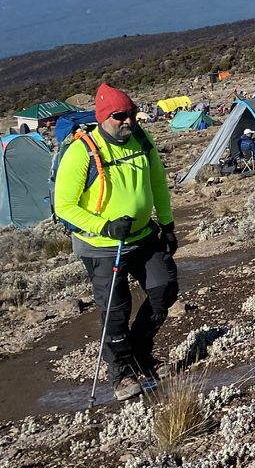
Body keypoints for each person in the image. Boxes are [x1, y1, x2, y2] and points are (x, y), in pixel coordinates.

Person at [54, 83, 179, 401]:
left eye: (132, 113)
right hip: (101, 245)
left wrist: (167, 225)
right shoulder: (82, 152)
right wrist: (105, 226)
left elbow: (158, 183)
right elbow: (63, 206)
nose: (128, 120)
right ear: (102, 118)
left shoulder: (141, 140)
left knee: (164, 288)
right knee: (116, 308)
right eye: (120, 116)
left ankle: (140, 353)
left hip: (144, 236)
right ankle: (121, 373)